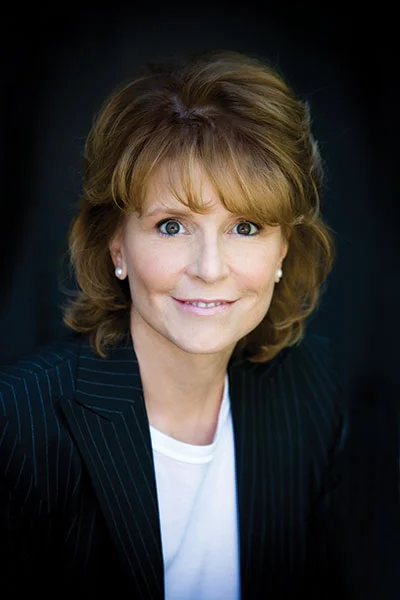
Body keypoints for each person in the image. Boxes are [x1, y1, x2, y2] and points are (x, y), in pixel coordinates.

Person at [0, 49, 348, 598]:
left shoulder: (312, 388)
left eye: (246, 227)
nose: (209, 269)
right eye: (172, 226)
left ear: (284, 248)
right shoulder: (17, 422)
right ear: (116, 244)